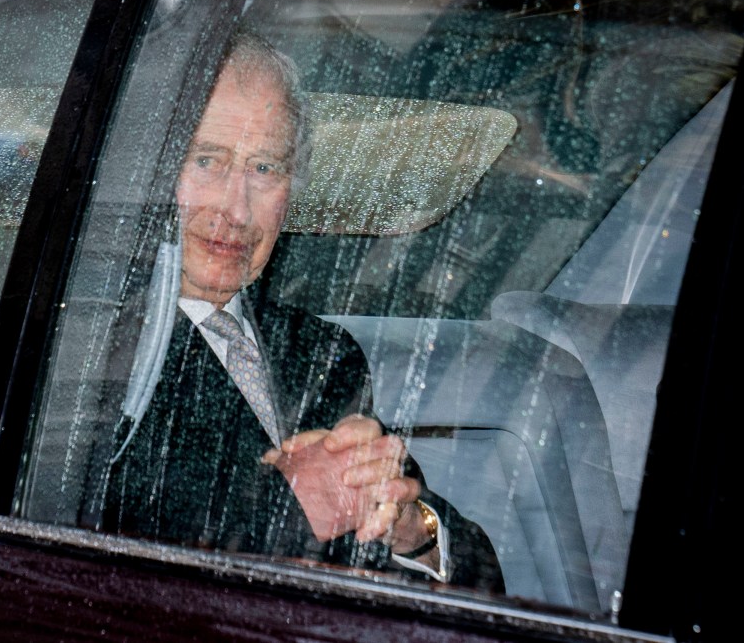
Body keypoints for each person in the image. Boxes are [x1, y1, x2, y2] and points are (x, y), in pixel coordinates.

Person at [98, 30, 504, 593]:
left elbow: (485, 591)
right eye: (207, 160)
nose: (236, 209)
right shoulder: (67, 351)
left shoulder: (325, 354)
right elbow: (69, 558)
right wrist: (295, 502)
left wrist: (412, 530)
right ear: (147, 172)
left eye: (265, 169)